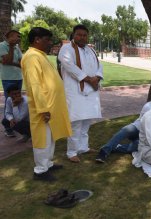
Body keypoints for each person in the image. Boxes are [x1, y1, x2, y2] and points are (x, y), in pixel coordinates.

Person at [21, 27, 72, 182]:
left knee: (51, 137)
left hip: (51, 106)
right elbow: (34, 84)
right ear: (37, 39)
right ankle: (40, 171)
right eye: (47, 40)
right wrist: (43, 108)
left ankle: (48, 164)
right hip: (43, 108)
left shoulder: (39, 55)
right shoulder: (31, 57)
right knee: (42, 139)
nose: (50, 43)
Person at [58, 24, 103, 163]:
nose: (82, 37)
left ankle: (83, 147)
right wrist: (89, 79)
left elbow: (99, 66)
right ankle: (72, 152)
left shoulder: (90, 50)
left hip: (91, 92)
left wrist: (97, 77)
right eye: (79, 34)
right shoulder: (66, 49)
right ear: (73, 35)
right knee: (76, 123)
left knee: (86, 122)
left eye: (84, 35)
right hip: (75, 92)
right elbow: (70, 67)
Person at [95, 89, 151, 163]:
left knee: (137, 145)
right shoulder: (149, 106)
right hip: (137, 128)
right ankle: (104, 152)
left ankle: (116, 147)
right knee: (125, 130)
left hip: (145, 135)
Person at [0, 30, 23, 137]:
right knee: (9, 101)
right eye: (17, 36)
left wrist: (15, 64)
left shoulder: (16, 47)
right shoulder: (2, 46)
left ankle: (16, 125)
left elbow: (21, 61)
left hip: (18, 78)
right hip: (8, 79)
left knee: (18, 101)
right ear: (9, 37)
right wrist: (10, 46)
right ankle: (7, 127)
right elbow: (6, 61)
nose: (19, 38)